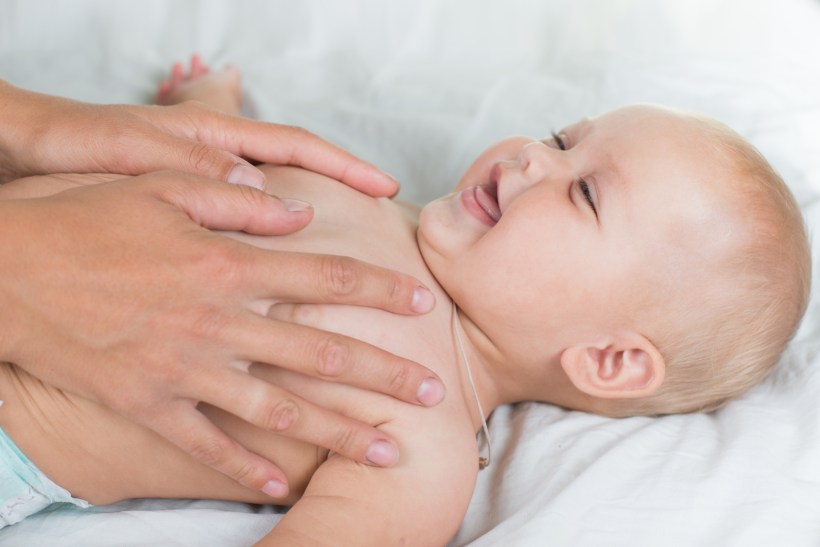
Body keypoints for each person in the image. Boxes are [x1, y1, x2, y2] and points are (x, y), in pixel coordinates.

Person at [0, 59, 810, 544]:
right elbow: (214, 159)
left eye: (586, 193)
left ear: (608, 358)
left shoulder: (424, 443)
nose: (533, 157)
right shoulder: (366, 192)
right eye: (563, 139)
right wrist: (209, 103)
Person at [0, 63, 450, 501]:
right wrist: (204, 105)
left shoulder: (428, 424)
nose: (525, 156)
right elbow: (230, 166)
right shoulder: (376, 197)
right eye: (525, 142)